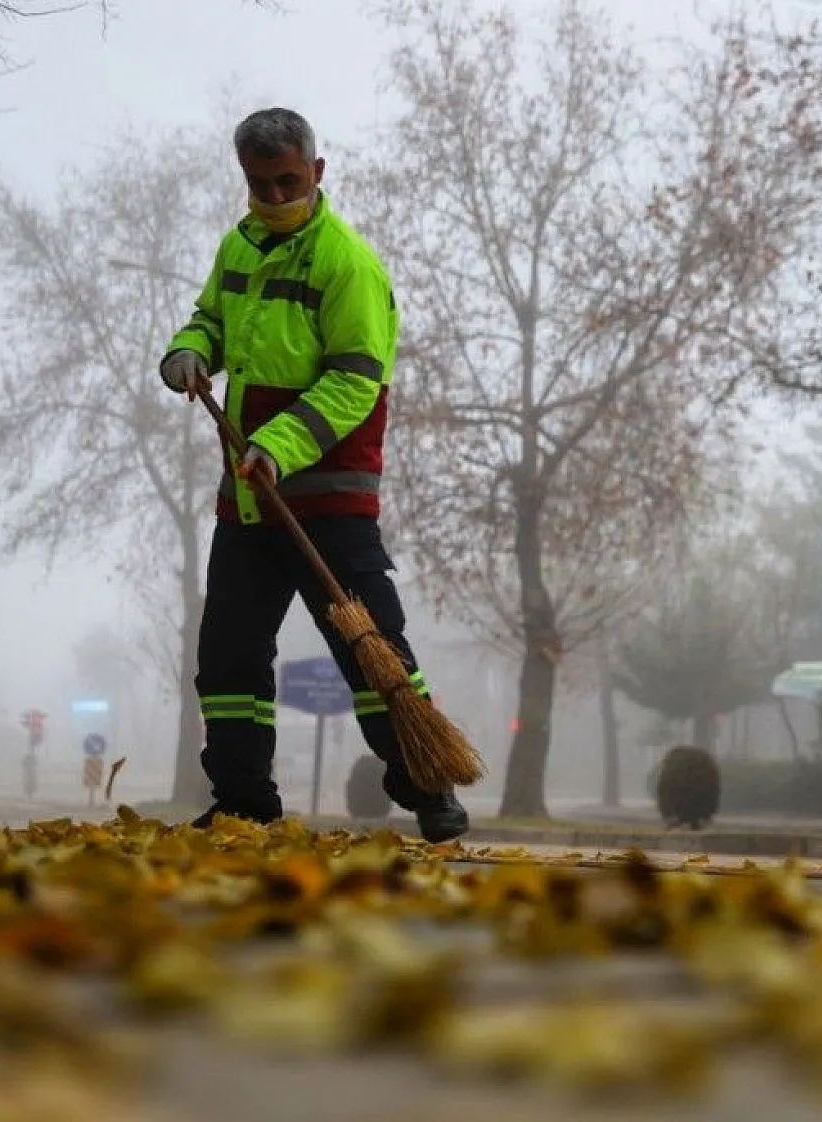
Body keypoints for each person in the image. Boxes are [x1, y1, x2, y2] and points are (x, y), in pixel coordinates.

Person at [159, 107, 468, 843]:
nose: (274, 196)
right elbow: (212, 319)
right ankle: (243, 803)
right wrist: (189, 349)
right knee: (228, 659)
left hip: (330, 499)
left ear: (317, 172)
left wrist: (277, 444)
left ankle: (427, 784)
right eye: (259, 183)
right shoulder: (237, 247)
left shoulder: (347, 264)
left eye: (288, 181)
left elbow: (356, 380)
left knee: (373, 648)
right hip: (249, 503)